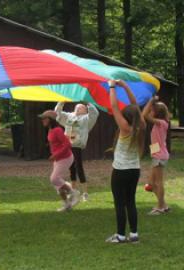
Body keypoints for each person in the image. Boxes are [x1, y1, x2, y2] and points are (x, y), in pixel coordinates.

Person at [106, 80, 146, 243]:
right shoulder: (140, 126)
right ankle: (134, 235)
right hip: (134, 170)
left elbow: (114, 106)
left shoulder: (125, 127)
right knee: (130, 201)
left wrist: (112, 86)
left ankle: (121, 236)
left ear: (126, 117)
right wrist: (125, 86)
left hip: (120, 171)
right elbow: (135, 106)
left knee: (119, 203)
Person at [55, 102, 99, 201]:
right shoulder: (69, 116)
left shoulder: (86, 119)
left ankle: (85, 193)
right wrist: (61, 103)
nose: (78, 108)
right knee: (71, 169)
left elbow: (95, 113)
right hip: (68, 146)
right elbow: (58, 113)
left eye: (81, 107)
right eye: (77, 107)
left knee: (79, 167)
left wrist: (88, 103)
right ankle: (73, 192)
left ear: (85, 110)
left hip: (77, 146)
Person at [39, 110, 80, 212]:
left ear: (50, 119)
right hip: (58, 159)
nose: (42, 120)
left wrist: (55, 155)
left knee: (54, 178)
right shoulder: (50, 130)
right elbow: (56, 144)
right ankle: (67, 205)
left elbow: (68, 145)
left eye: (44, 118)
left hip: (66, 158)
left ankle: (74, 192)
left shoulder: (57, 130)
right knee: (57, 184)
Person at [142, 96, 170, 215]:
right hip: (157, 155)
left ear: (157, 113)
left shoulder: (162, 123)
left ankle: (160, 207)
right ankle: (163, 205)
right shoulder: (158, 124)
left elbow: (144, 115)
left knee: (157, 182)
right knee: (152, 183)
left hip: (160, 156)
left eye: (152, 110)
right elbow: (155, 143)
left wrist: (151, 101)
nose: (150, 112)